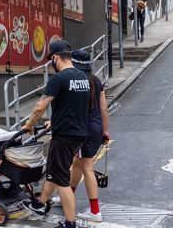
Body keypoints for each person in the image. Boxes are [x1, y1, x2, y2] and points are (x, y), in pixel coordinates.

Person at [21, 39, 91, 228]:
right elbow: (76, 105)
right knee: (54, 170)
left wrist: (28, 124)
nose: (52, 63)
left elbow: (39, 107)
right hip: (78, 133)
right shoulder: (82, 77)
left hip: (64, 136)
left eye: (52, 59)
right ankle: (40, 203)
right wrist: (55, 120)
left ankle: (70, 223)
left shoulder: (58, 79)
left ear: (56, 57)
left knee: (61, 180)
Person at [70, 49, 110, 224]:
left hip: (82, 129)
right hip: (95, 128)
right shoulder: (95, 80)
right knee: (77, 164)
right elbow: (104, 108)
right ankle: (67, 195)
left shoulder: (76, 81)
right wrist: (105, 130)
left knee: (86, 167)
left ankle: (95, 211)